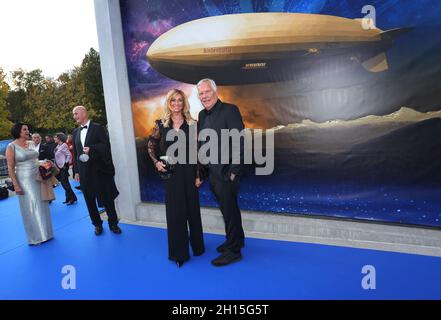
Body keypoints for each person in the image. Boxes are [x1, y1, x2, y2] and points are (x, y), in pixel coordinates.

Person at [147, 89, 205, 267]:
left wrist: (199, 175)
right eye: (173, 100)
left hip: (189, 172)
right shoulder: (161, 124)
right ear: (169, 103)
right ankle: (178, 253)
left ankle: (197, 246)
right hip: (171, 174)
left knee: (193, 211)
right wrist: (156, 162)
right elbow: (151, 146)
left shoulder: (193, 123)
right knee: (175, 213)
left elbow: (199, 152)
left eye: (180, 100)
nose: (177, 104)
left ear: (184, 103)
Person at [196, 78, 245, 266]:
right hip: (212, 173)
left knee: (230, 211)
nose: (204, 96)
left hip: (227, 173)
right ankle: (235, 240)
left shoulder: (230, 110)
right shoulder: (201, 115)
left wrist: (234, 172)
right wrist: (202, 173)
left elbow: (240, 142)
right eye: (201, 93)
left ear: (215, 92)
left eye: (207, 92)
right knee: (227, 210)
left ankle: (234, 251)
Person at [72, 106, 122, 235]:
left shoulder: (97, 128)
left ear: (84, 113)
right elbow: (76, 153)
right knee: (89, 200)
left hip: (99, 170)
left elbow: (106, 146)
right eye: (73, 114)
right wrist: (76, 171)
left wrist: (92, 149)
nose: (74, 116)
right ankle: (97, 224)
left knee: (107, 198)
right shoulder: (75, 132)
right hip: (84, 172)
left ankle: (113, 223)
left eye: (76, 113)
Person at [5, 123, 54, 245]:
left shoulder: (31, 143)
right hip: (24, 180)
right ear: (18, 131)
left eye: (27, 129)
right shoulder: (11, 147)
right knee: (30, 206)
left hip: (38, 177)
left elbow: (35, 160)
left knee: (43, 203)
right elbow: (10, 168)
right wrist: (16, 185)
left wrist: (44, 163)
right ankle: (35, 237)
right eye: (25, 129)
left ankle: (46, 233)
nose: (28, 131)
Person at [54, 132, 77, 205]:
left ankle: (72, 198)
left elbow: (69, 155)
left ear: (59, 138)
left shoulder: (64, 145)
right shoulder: (58, 145)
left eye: (56, 137)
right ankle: (68, 198)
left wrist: (65, 163)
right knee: (64, 183)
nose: (54, 138)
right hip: (59, 166)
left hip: (63, 166)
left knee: (65, 183)